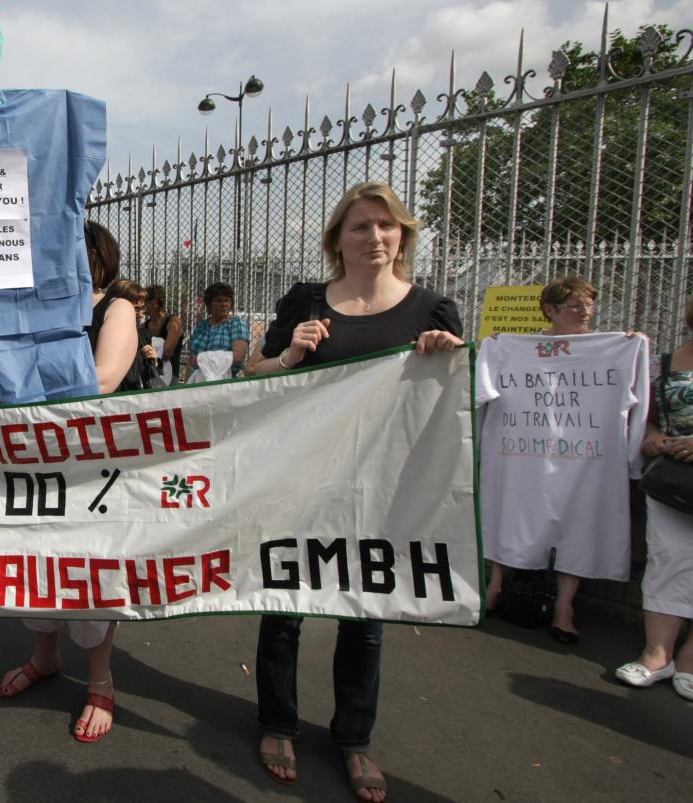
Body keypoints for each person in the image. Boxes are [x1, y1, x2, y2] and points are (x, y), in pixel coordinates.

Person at [244, 181, 463, 800]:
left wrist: (449, 355)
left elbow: (454, 409)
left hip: (385, 495)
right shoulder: (307, 301)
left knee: (365, 617)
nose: (375, 237)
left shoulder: (432, 310)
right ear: (337, 239)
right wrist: (289, 355)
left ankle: (354, 739)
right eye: (361, 227)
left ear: (404, 235)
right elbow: (253, 378)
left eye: (386, 226)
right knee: (283, 606)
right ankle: (277, 724)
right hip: (300, 482)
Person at [0, 221, 138, 743]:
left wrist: (22, 397)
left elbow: (103, 379)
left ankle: (100, 679)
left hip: (92, 464)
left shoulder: (114, 307)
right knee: (33, 563)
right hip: (36, 459)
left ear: (98, 255)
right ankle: (45, 658)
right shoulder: (31, 306)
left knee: (89, 571)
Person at [481, 277, 646, 644]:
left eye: (588, 304)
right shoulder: (511, 348)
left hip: (584, 456)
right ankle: (495, 585)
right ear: (550, 310)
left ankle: (564, 607)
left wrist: (632, 461)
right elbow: (483, 395)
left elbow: (638, 402)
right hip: (524, 451)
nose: (584, 312)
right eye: (574, 305)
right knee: (513, 511)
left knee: (579, 522)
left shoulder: (611, 349)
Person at [614, 299, 693, 700]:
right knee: (667, 558)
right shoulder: (665, 361)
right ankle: (656, 655)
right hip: (674, 480)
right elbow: (647, 417)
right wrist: (651, 438)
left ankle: (691, 660)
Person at [187, 282, 249, 380]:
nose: (224, 304)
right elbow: (190, 361)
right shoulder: (201, 326)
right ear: (209, 303)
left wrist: (201, 360)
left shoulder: (236, 323)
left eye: (227, 300)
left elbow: (238, 357)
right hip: (196, 382)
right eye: (219, 301)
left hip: (223, 382)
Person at [144, 284, 183, 385]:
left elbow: (166, 353)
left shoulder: (173, 322)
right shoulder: (144, 325)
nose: (141, 304)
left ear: (155, 302)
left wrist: (149, 354)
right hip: (149, 375)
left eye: (144, 301)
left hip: (169, 377)